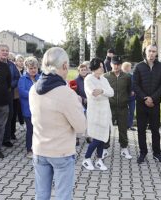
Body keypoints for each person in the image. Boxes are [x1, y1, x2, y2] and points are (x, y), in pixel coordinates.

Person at [29, 47, 86, 199]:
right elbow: (81, 127)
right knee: (63, 196)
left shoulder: (33, 89)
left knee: (41, 194)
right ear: (65, 66)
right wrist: (79, 104)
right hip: (61, 152)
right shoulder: (66, 93)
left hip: (39, 149)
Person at [133, 45, 161, 165]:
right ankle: (143, 152)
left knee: (155, 130)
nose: (152, 54)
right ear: (145, 52)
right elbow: (135, 85)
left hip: (155, 104)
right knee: (141, 130)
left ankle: (157, 153)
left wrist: (152, 98)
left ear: (156, 53)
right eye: (150, 51)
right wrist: (145, 98)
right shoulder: (138, 67)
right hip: (141, 104)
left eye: (154, 51)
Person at [82, 58, 114, 171]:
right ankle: (86, 158)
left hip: (105, 111)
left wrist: (102, 91)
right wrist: (101, 92)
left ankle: (99, 160)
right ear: (94, 67)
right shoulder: (88, 79)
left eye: (102, 66)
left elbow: (111, 92)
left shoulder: (104, 79)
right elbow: (92, 94)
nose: (102, 68)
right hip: (95, 111)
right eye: (100, 66)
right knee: (97, 137)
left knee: (103, 136)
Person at [103, 56, 132, 159]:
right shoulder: (105, 77)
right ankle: (105, 149)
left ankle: (124, 149)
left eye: (118, 64)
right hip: (109, 107)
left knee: (123, 129)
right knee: (107, 129)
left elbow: (129, 91)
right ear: (111, 64)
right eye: (114, 64)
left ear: (121, 65)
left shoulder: (127, 77)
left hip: (123, 107)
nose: (116, 66)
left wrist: (126, 99)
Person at [0, 44, 20, 147]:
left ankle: (6, 139)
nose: (5, 52)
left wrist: (10, 85)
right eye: (3, 50)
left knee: (9, 115)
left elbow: (17, 77)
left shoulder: (12, 65)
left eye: (7, 50)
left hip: (9, 94)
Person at [18, 56, 40, 158]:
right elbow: (22, 92)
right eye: (31, 68)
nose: (33, 70)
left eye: (35, 68)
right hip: (28, 110)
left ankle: (39, 148)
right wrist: (35, 94)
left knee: (39, 130)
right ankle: (29, 149)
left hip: (40, 110)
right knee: (30, 130)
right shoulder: (22, 79)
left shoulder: (40, 78)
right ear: (26, 68)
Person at [11, 55, 25, 137]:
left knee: (21, 110)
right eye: (19, 61)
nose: (21, 62)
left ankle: (22, 123)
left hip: (22, 94)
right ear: (15, 62)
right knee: (15, 111)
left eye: (22, 60)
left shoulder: (25, 70)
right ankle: (12, 131)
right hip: (15, 94)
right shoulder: (14, 70)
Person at [121, 62, 136, 131]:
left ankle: (129, 125)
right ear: (126, 68)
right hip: (124, 98)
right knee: (124, 112)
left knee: (131, 111)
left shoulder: (132, 76)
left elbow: (135, 85)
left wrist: (134, 91)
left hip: (132, 98)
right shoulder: (120, 76)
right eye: (130, 67)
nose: (131, 68)